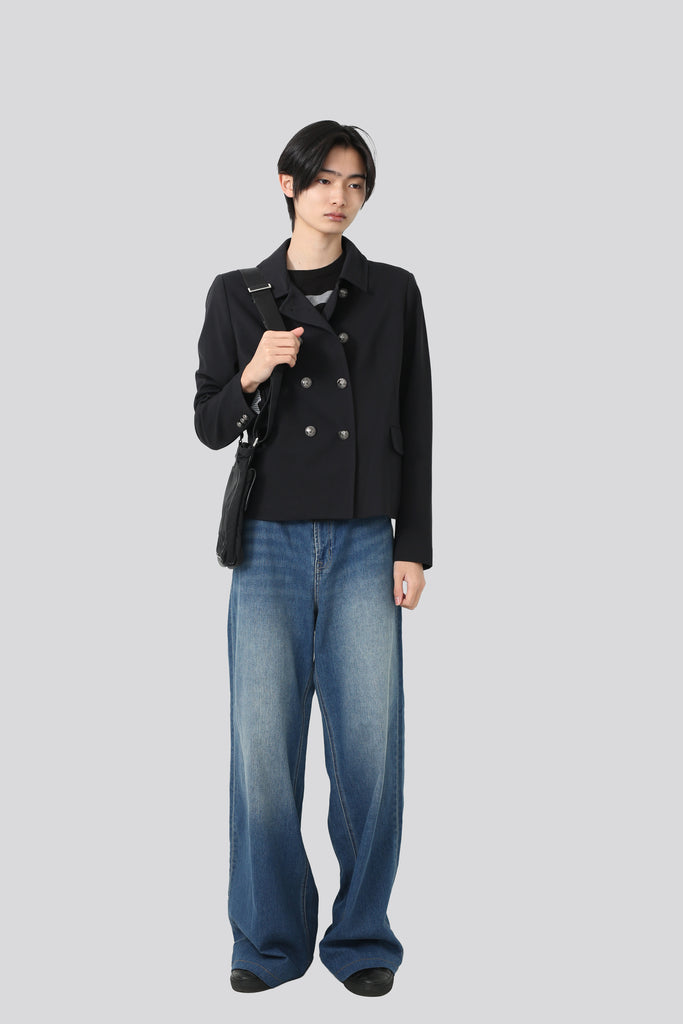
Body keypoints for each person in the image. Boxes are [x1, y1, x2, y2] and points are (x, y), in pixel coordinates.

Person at [193, 120, 432, 998]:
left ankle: (361, 939)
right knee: (262, 751)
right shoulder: (238, 294)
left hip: (367, 540)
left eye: (356, 183)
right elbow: (207, 423)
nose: (340, 197)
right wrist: (252, 372)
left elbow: (418, 421)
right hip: (268, 545)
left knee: (369, 750)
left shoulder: (392, 291)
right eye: (325, 179)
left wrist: (414, 546)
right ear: (287, 183)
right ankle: (267, 941)